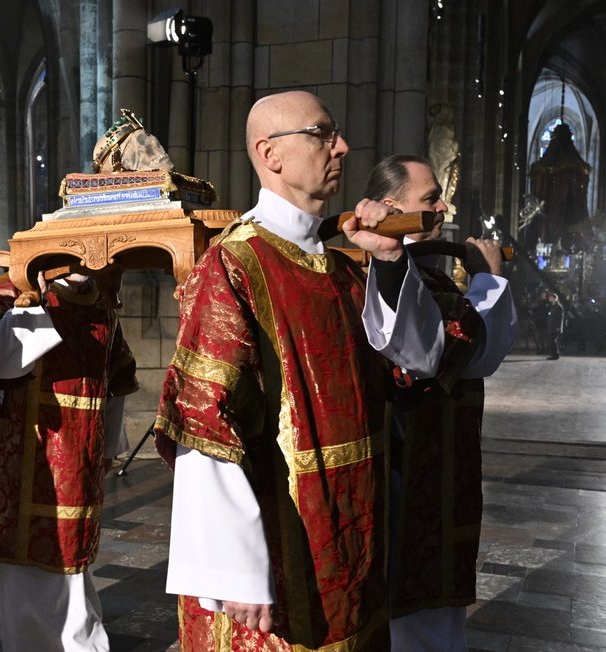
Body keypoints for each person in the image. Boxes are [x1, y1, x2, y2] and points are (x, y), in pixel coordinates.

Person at [154, 91, 448, 651]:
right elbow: (202, 416)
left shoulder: (341, 266)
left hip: (350, 532)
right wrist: (233, 567)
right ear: (271, 154)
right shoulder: (235, 261)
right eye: (321, 134)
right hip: (279, 540)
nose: (342, 146)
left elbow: (419, 362)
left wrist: (388, 263)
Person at [364, 154, 517, 650]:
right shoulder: (390, 275)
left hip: (443, 464)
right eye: (431, 198)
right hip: (407, 468)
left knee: (439, 612)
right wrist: (488, 281)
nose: (444, 205)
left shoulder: (428, 276)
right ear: (392, 207)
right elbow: (452, 352)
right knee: (414, 617)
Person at [0, 271, 138, 651]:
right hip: (27, 449)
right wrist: (31, 300)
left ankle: (73, 640)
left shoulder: (101, 302)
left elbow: (116, 380)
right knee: (25, 554)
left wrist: (109, 446)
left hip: (81, 452)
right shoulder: (10, 293)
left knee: (71, 553)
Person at [546, 291, 564, 360]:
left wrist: (558, 327)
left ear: (555, 298)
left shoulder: (558, 307)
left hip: (555, 328)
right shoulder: (553, 307)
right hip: (551, 327)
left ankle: (556, 354)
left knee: (553, 341)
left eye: (551, 297)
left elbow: (560, 318)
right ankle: (553, 354)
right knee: (551, 341)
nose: (549, 299)